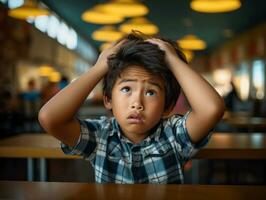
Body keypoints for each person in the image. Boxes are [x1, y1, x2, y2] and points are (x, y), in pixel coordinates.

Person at [39, 31, 225, 184]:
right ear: (108, 99)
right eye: (126, 88)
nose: (137, 103)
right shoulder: (101, 136)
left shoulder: (174, 135)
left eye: (151, 92)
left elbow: (212, 109)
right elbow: (49, 117)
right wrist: (99, 68)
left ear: (168, 107)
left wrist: (171, 59)